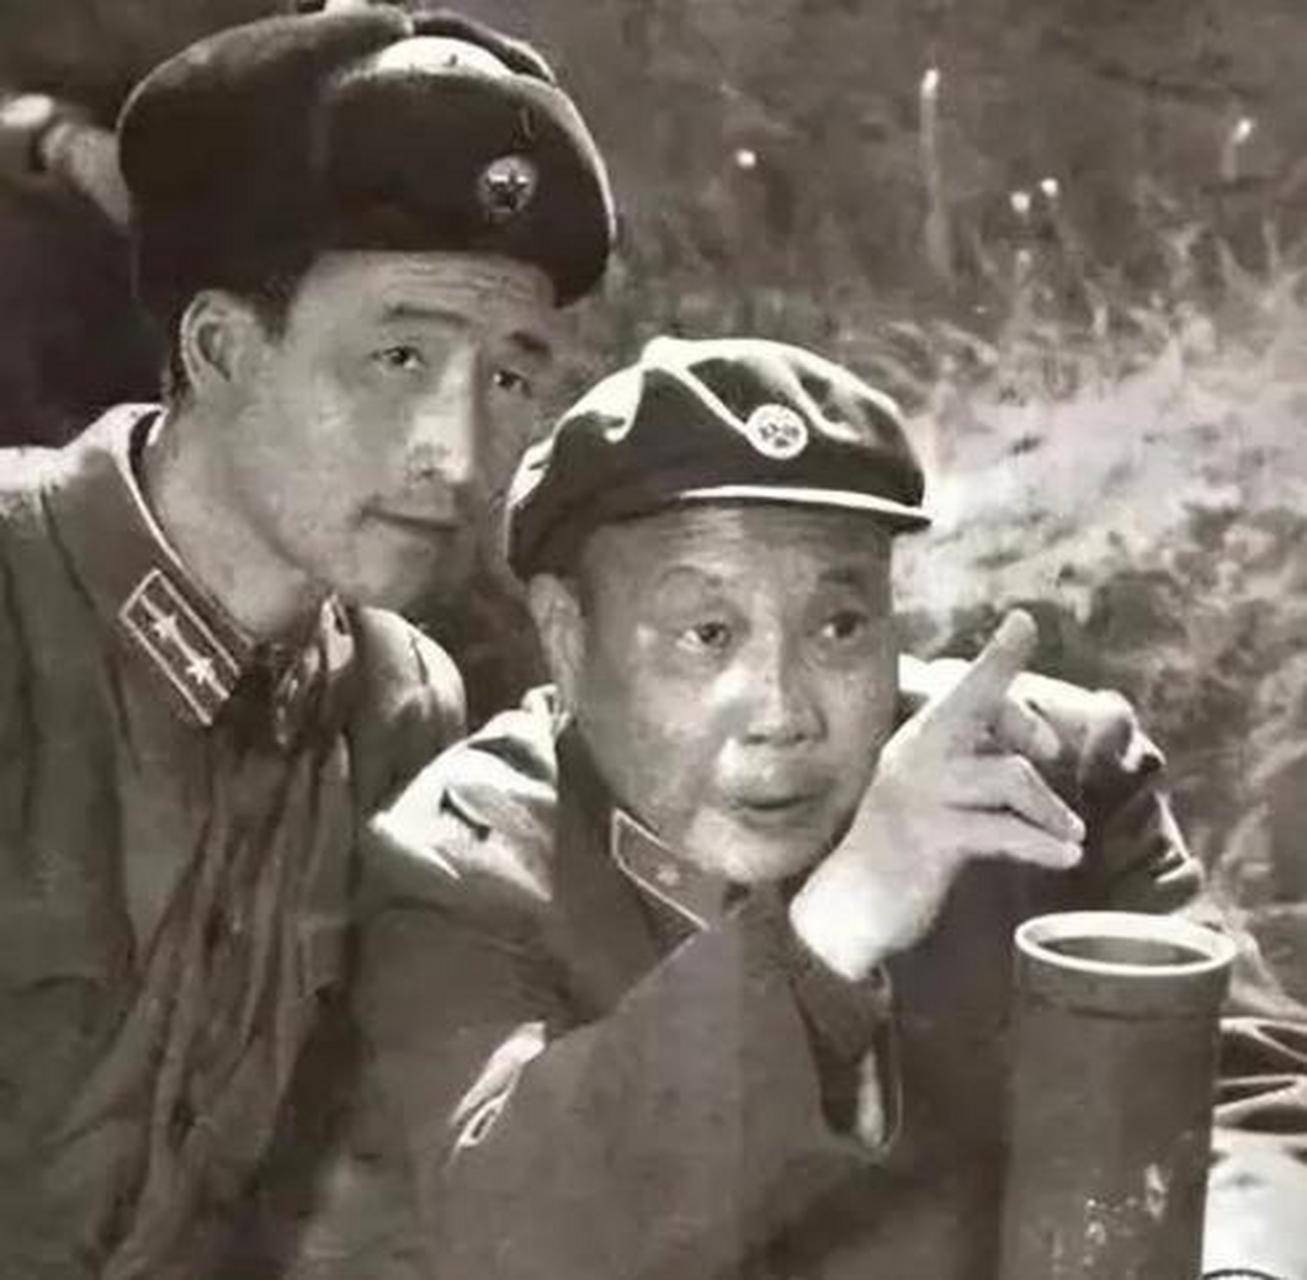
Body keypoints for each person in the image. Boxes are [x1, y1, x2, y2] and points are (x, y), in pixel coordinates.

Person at [364, 336, 1307, 1280]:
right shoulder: (466, 860)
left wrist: (1240, 1269)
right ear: (567, 638)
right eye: (707, 634)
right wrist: (827, 936)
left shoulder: (1046, 775)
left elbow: (1254, 1099)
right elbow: (500, 1233)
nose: (782, 711)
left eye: (840, 626)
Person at [0, 6, 613, 1275]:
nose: (457, 453)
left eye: (509, 377)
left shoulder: (398, 702)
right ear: (221, 347)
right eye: (399, 355)